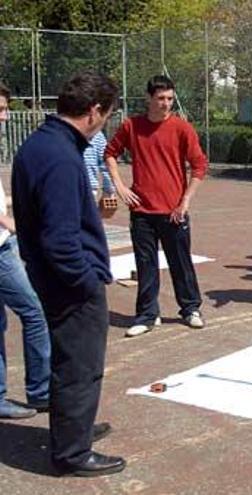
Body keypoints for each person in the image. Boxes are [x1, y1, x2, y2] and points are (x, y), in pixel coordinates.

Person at [12, 71, 125, 476]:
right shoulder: (59, 157)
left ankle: (72, 433)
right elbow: (60, 239)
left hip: (51, 277)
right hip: (69, 284)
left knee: (69, 362)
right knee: (79, 366)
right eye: (106, 115)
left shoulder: (41, 145)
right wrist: (86, 280)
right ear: (94, 111)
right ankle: (72, 453)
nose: (105, 124)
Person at [105, 75, 208, 338]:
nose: (166, 103)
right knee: (146, 264)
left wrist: (185, 200)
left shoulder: (181, 128)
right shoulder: (132, 126)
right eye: (161, 98)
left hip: (174, 211)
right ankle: (148, 315)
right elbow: (109, 154)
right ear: (149, 98)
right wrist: (120, 186)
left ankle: (190, 309)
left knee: (181, 262)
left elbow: (199, 165)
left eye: (170, 99)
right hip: (142, 212)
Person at [0, 82, 51, 420]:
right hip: (2, 247)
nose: (5, 117)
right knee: (34, 311)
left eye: (5, 109)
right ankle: (41, 391)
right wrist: (12, 223)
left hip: (3, 244)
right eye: (0, 110)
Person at [83, 130, 116, 200]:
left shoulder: (97, 135)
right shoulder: (59, 131)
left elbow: (106, 163)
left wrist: (109, 189)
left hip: (89, 188)